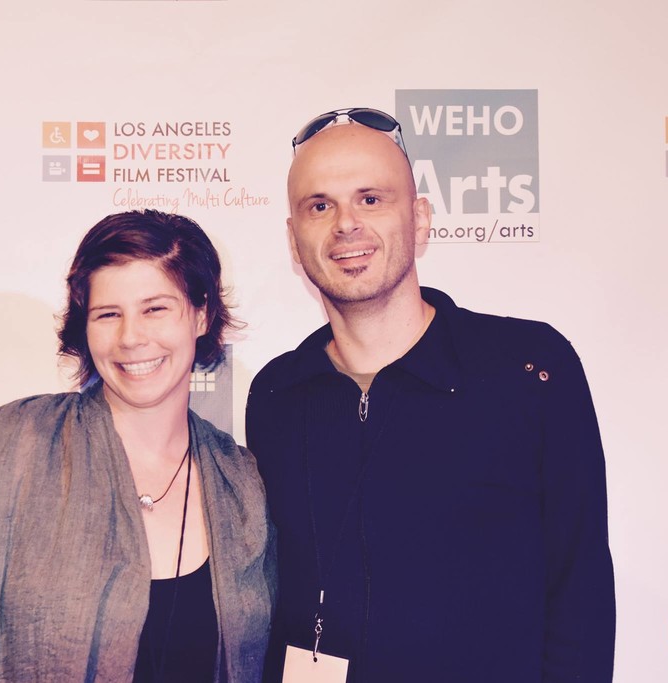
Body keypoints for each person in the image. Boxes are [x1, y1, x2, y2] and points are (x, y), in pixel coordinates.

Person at [246, 108, 615, 681]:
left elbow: (580, 592)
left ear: (419, 220)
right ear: (294, 241)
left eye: (371, 199)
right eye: (320, 206)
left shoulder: (529, 368)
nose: (346, 224)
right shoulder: (276, 394)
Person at [0, 210, 275, 682]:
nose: (130, 337)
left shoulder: (241, 484)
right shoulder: (10, 448)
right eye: (108, 314)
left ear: (201, 315)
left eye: (155, 309)